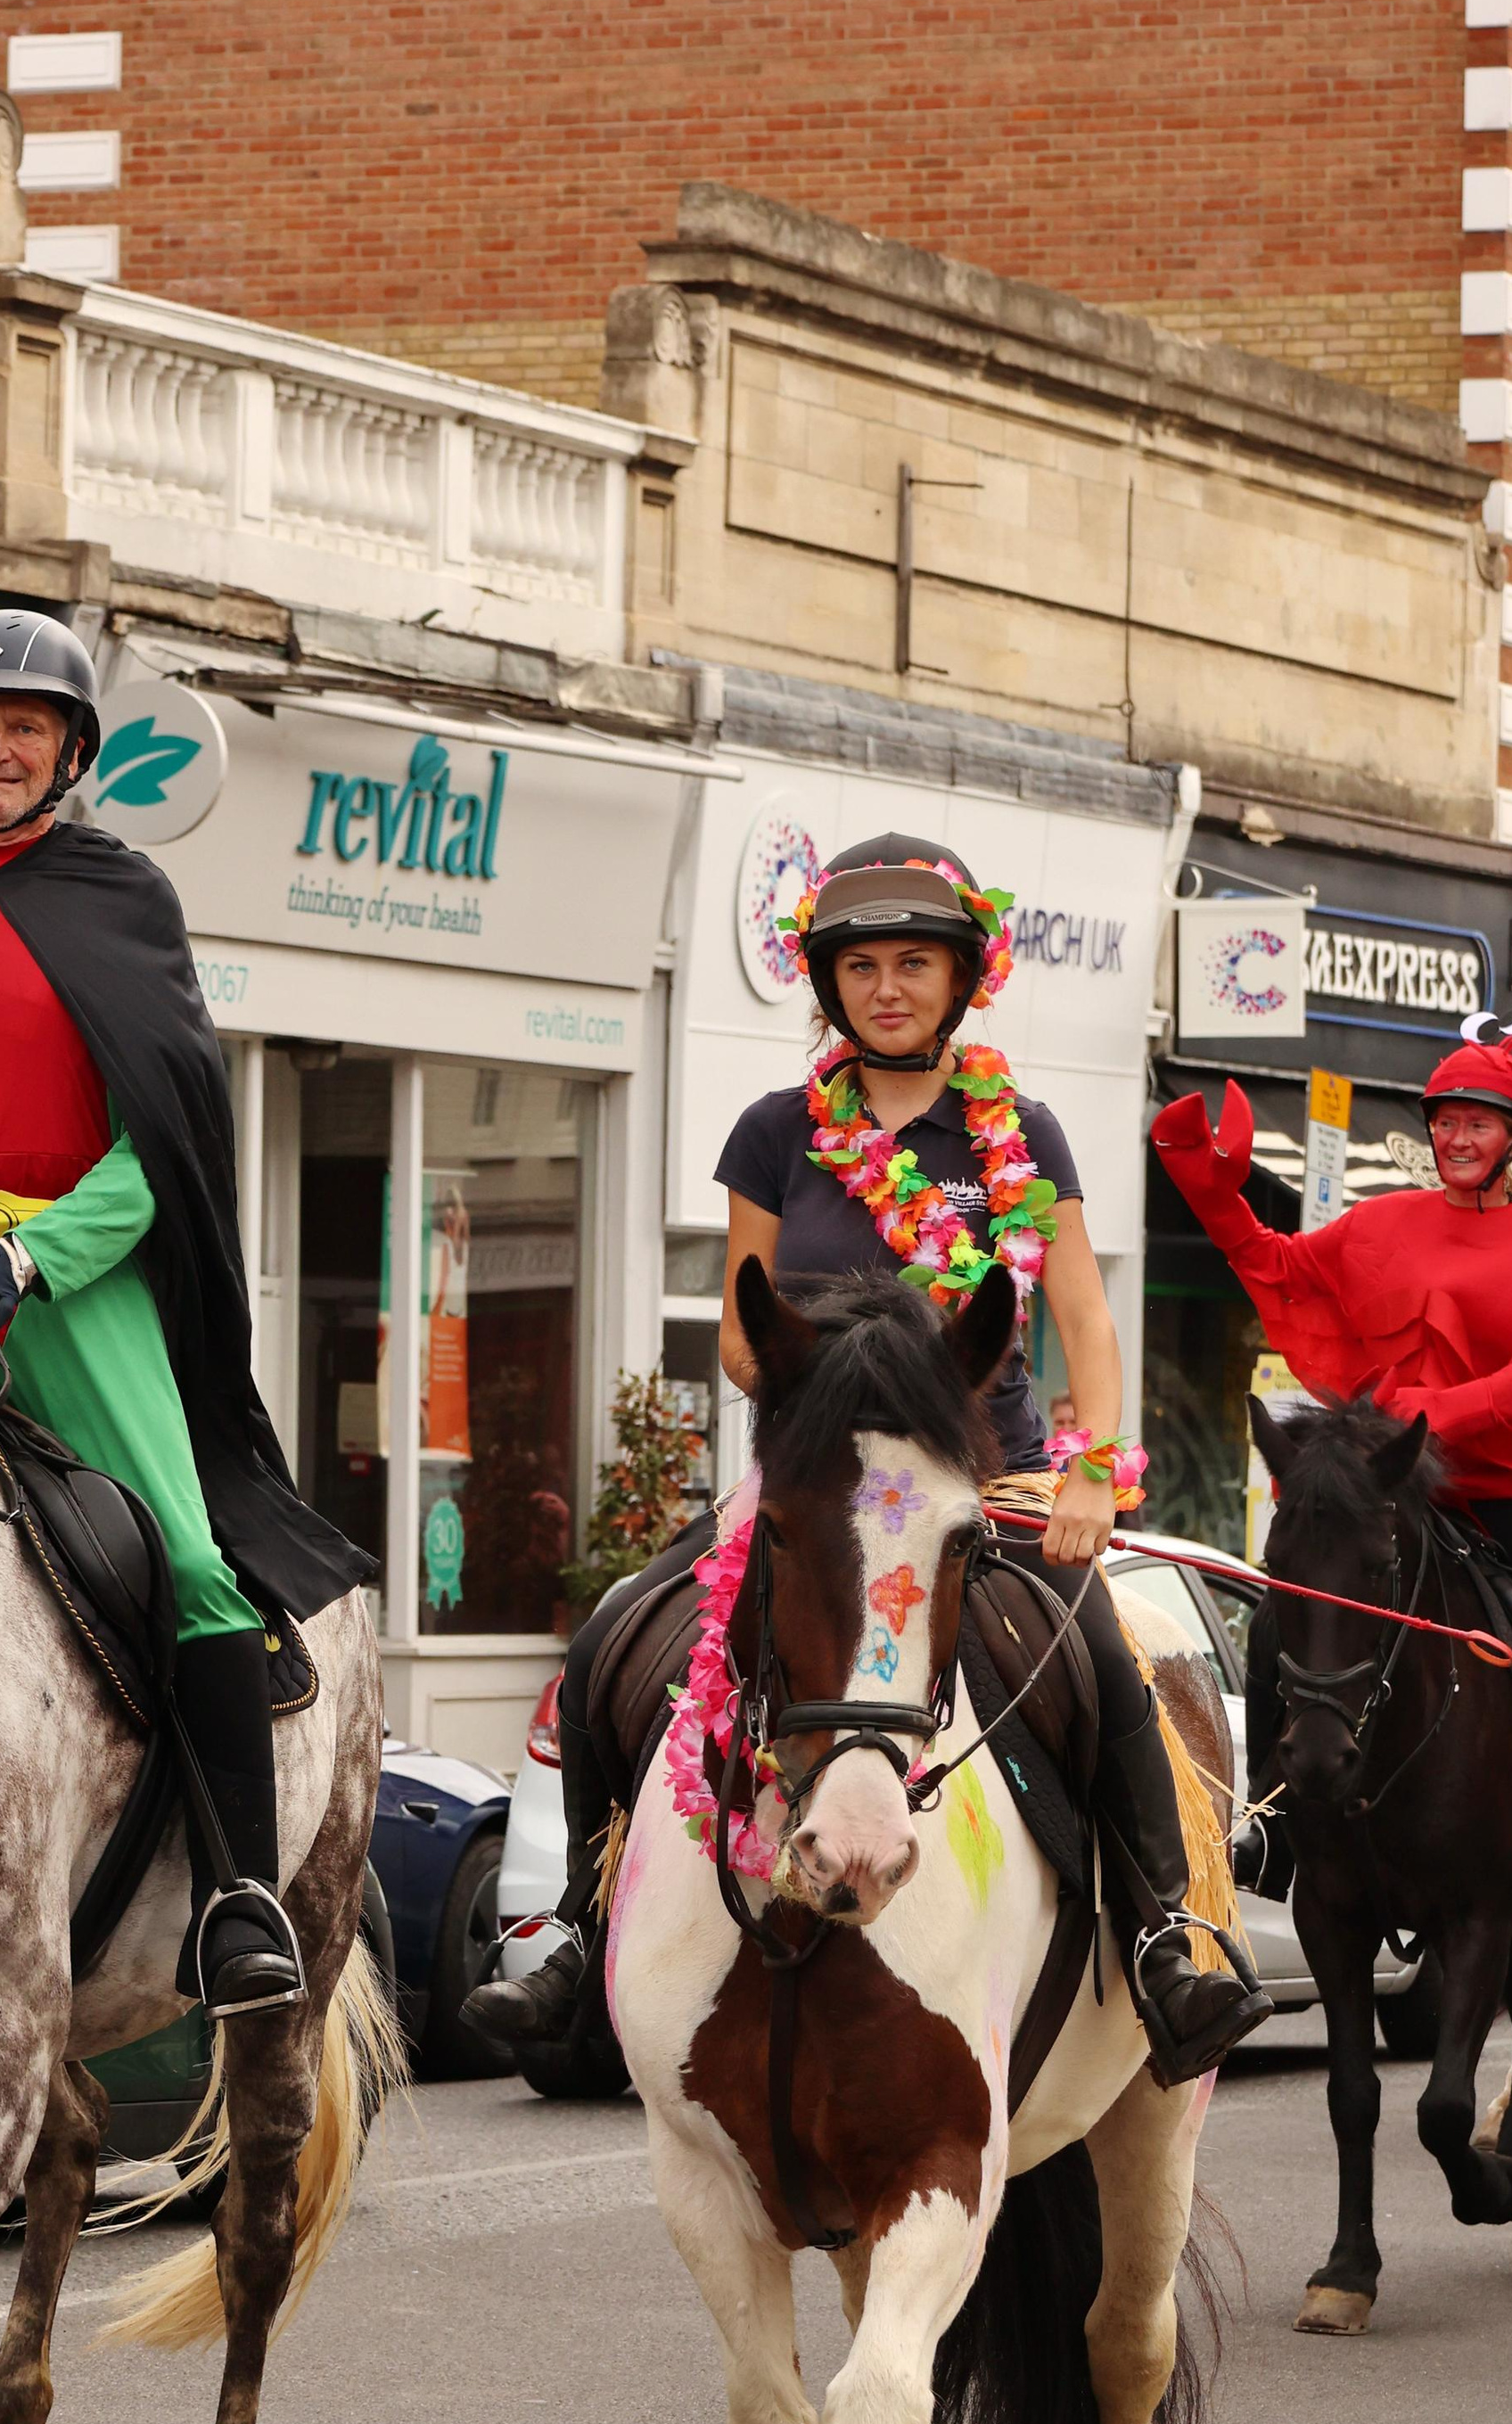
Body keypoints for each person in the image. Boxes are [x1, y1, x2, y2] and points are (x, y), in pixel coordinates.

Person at [470, 831, 1271, 2087]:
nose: (886, 987)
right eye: (861, 968)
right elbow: (743, 1328)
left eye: (914, 964)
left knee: (1110, 1662)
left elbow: (1083, 1318)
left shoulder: (1024, 1132)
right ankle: (578, 1931)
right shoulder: (773, 1130)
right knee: (610, 1640)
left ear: (963, 981)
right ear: (827, 984)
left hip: (977, 1482)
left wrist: (1089, 1474)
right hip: (814, 1480)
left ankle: (1169, 1939)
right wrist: (810, 1384)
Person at [0, 610, 374, 2013]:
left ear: (71, 751)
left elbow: (158, 1144)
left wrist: (37, 1255)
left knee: (191, 1557)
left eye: (24, 727)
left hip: (60, 1298)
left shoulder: (122, 900)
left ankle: (235, 1902)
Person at [1151, 1039, 1512, 1901]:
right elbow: (1280, 1264)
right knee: (1279, 1619)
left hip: (1509, 1484)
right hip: (1392, 1480)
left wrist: (1428, 1418)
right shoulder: (1379, 1220)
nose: (1457, 1138)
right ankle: (1271, 1824)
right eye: (1445, 1123)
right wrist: (1215, 1194)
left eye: (1477, 1124)